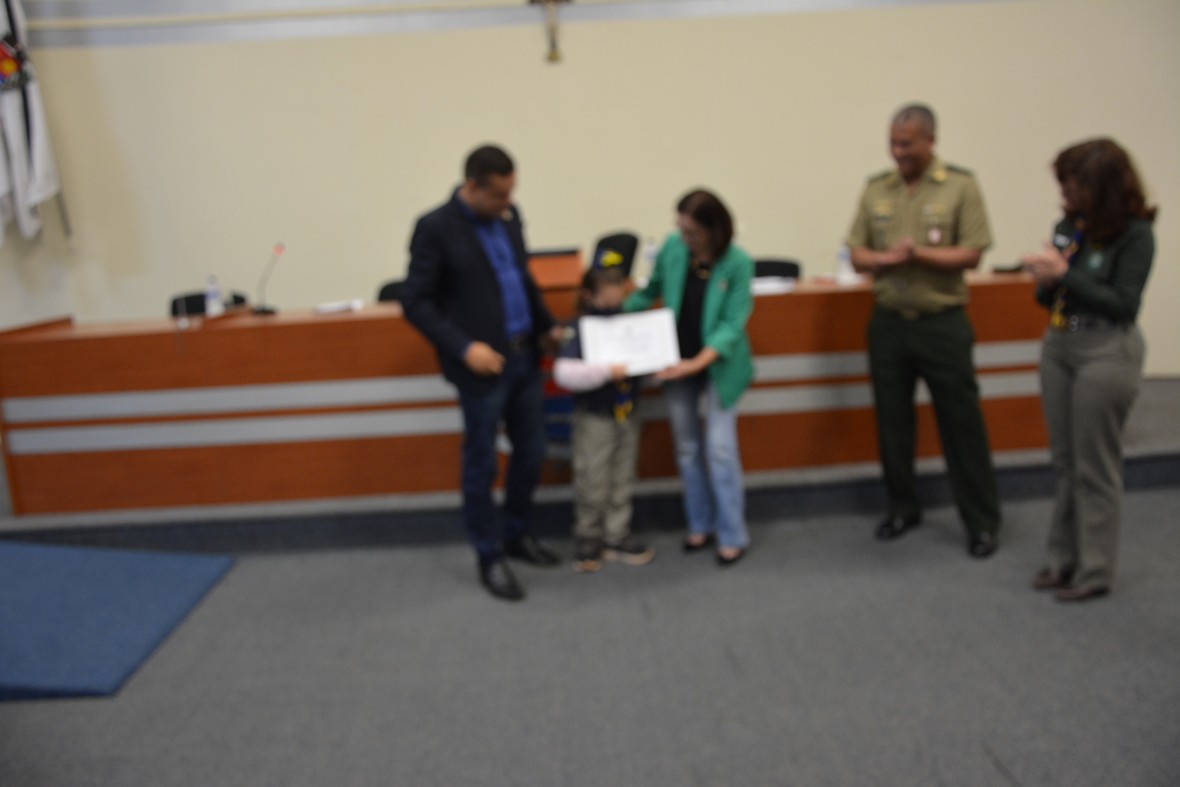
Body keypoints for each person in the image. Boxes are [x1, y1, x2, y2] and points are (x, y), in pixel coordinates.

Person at [400, 144, 564, 602]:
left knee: (532, 452)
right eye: (499, 194)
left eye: (512, 192)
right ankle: (489, 555)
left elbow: (521, 278)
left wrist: (546, 325)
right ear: (472, 187)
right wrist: (464, 347)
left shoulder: (509, 219)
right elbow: (415, 301)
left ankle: (516, 534)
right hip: (482, 368)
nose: (508, 203)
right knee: (482, 463)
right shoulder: (435, 228)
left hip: (524, 358)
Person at [846, 103, 1001, 558]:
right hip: (889, 323)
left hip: (942, 323)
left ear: (930, 141)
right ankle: (902, 508)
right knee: (892, 425)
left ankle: (981, 522)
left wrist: (917, 256)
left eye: (907, 144)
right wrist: (884, 260)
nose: (898, 152)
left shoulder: (960, 186)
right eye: (893, 143)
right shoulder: (877, 188)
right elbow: (856, 252)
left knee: (961, 426)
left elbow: (973, 253)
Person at [1020, 138, 1156, 602]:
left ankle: (1095, 570)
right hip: (1061, 342)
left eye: (1072, 185)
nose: (1064, 194)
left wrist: (1066, 275)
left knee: (1094, 465)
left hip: (1106, 349)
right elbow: (1048, 297)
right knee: (1065, 463)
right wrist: (1045, 277)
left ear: (1101, 187)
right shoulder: (1069, 226)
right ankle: (1062, 560)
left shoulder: (1135, 235)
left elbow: (1123, 303)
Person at [625, 189, 754, 565]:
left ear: (715, 230)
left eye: (692, 233)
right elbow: (651, 291)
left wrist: (696, 364)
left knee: (720, 449)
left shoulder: (738, 262)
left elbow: (731, 326)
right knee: (687, 449)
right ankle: (700, 524)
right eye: (681, 229)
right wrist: (614, 313)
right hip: (674, 361)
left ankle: (732, 533)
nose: (684, 238)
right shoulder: (673, 248)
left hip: (718, 366)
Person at [553, 265, 655, 573]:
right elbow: (563, 372)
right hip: (594, 416)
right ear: (589, 296)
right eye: (608, 300)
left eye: (618, 299)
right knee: (592, 478)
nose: (614, 305)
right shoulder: (580, 327)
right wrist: (606, 372)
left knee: (623, 477)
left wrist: (655, 365)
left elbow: (645, 362)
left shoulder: (629, 322)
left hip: (627, 412)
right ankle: (589, 536)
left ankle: (616, 534)